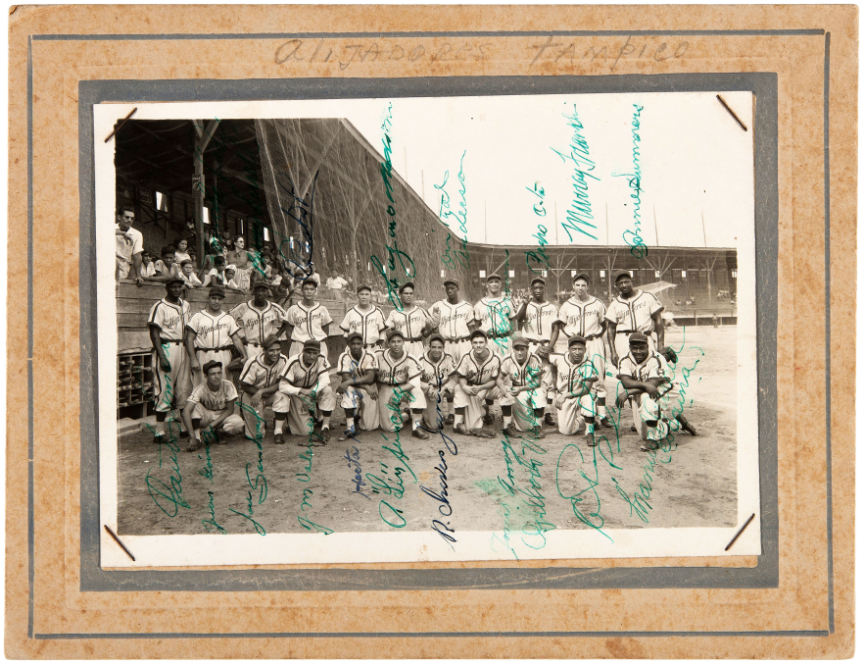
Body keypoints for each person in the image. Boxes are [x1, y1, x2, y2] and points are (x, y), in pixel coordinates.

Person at [616, 333, 695, 451]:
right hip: (642, 391)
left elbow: (652, 386)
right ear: (630, 347)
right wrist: (635, 388)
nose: (638, 352)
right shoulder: (624, 359)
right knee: (643, 434)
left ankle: (652, 440)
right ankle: (676, 423)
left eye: (641, 348)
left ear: (648, 346)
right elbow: (626, 382)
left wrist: (628, 392)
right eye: (634, 348)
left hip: (665, 390)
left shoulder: (657, 358)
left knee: (646, 399)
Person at [551, 273, 611, 425]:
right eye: (577, 285)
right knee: (577, 378)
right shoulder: (566, 305)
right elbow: (562, 325)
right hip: (576, 344)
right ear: (573, 286)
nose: (580, 288)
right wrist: (572, 337)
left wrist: (597, 335)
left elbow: (605, 324)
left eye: (583, 285)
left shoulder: (597, 303)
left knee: (598, 378)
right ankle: (584, 413)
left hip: (593, 342)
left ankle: (602, 415)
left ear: (588, 286)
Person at [147, 277, 192, 443]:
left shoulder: (185, 305)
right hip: (167, 347)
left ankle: (183, 427)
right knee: (165, 389)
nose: (176, 289)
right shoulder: (159, 306)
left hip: (184, 348)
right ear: (167, 288)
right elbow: (154, 333)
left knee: (184, 388)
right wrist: (162, 356)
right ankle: (159, 432)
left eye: (179, 286)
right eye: (173, 287)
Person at [278, 339, 336, 443]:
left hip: (312, 391)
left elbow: (325, 379)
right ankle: (289, 417)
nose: (312, 356)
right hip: (296, 394)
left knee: (327, 390)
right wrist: (301, 391)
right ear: (303, 351)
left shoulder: (321, 358)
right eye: (309, 352)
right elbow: (282, 386)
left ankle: (325, 426)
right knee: (304, 431)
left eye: (315, 353)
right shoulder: (293, 361)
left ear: (318, 353)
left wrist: (312, 391)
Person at [184, 286, 246, 384]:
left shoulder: (228, 318)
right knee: (202, 385)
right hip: (203, 354)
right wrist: (193, 359)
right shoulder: (198, 317)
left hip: (224, 354)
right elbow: (189, 338)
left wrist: (244, 354)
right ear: (208, 299)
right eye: (213, 298)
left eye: (219, 299)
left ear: (222, 301)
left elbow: (236, 338)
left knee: (224, 384)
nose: (216, 301)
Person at [374, 329, 429, 439]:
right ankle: (406, 415)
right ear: (388, 343)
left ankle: (416, 427)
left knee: (418, 390)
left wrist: (398, 391)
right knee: (390, 428)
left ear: (403, 342)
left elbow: (414, 381)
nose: (396, 344)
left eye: (399, 341)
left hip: (404, 387)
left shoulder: (410, 358)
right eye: (393, 341)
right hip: (386, 388)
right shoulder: (378, 356)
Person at [180, 360, 245, 452]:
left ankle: (219, 432)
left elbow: (230, 410)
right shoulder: (200, 388)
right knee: (195, 407)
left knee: (238, 423)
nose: (217, 376)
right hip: (207, 416)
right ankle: (197, 438)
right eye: (213, 374)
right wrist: (192, 436)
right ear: (206, 376)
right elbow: (186, 411)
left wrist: (211, 426)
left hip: (223, 415)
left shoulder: (228, 385)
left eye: (219, 373)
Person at [551, 335, 602, 446]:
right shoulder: (559, 358)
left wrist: (565, 395)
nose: (577, 352)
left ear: (585, 350)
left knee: (589, 398)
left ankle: (590, 432)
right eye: (574, 349)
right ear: (568, 349)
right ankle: (584, 419)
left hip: (581, 395)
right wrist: (554, 382)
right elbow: (549, 362)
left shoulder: (588, 364)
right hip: (565, 397)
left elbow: (586, 389)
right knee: (566, 431)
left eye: (580, 349)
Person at [605, 272, 665, 367]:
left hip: (645, 337)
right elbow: (610, 328)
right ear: (616, 286)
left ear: (632, 282)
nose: (624, 285)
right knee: (626, 372)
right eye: (620, 283)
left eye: (626, 282)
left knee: (650, 368)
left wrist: (661, 345)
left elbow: (658, 320)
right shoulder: (614, 304)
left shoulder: (647, 297)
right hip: (623, 340)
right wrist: (612, 352)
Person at [452, 330, 504, 436]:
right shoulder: (466, 356)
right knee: (473, 427)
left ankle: (508, 421)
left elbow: (495, 380)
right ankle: (482, 411)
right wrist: (465, 386)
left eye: (481, 342)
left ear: (486, 343)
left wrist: (481, 388)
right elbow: (461, 376)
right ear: (471, 344)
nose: (478, 345)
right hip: (475, 389)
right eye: (475, 343)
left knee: (507, 387)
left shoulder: (496, 357)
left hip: (490, 388)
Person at [238, 340, 290, 444]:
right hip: (251, 394)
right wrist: (257, 393)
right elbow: (243, 384)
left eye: (278, 350)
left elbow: (281, 383)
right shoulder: (253, 362)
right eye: (271, 350)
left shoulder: (283, 359)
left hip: (269, 393)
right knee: (257, 436)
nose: (275, 353)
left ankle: (278, 431)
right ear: (264, 350)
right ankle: (248, 420)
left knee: (283, 395)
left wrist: (262, 391)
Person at [497, 335, 545, 438]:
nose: (519, 352)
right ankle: (507, 426)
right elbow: (499, 379)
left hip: (529, 389)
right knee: (504, 391)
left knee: (539, 392)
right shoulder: (507, 359)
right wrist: (505, 391)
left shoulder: (534, 358)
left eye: (522, 349)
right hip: (515, 390)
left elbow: (537, 382)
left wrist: (521, 389)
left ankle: (538, 426)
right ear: (513, 349)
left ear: (527, 349)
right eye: (516, 349)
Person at [230, 282, 288, 367]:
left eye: (263, 290)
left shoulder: (274, 307)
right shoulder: (244, 307)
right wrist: (239, 336)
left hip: (268, 348)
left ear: (267, 292)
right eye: (258, 290)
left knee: (269, 373)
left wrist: (277, 335)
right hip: (250, 348)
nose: (261, 293)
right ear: (253, 292)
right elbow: (228, 319)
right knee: (250, 373)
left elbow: (287, 321)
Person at [335, 332, 379, 439]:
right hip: (360, 388)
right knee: (348, 389)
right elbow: (346, 378)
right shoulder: (344, 356)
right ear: (348, 344)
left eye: (358, 343)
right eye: (353, 343)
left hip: (370, 389)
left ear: (362, 344)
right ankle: (350, 426)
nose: (356, 346)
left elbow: (370, 378)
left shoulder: (370, 355)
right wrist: (364, 386)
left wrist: (349, 382)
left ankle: (358, 416)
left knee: (369, 426)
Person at [428, 279, 476, 363]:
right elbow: (428, 323)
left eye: (452, 288)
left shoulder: (467, 306)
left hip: (464, 343)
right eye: (447, 288)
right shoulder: (438, 305)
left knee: (466, 370)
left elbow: (472, 329)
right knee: (447, 371)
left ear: (457, 289)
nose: (449, 290)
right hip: (446, 344)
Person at [284, 278, 333, 358]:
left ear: (315, 291)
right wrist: (294, 343)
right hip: (299, 345)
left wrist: (319, 341)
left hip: (318, 345)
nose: (309, 292)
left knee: (320, 369)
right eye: (306, 289)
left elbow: (326, 330)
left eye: (312, 289)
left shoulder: (322, 309)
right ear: (302, 291)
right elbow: (288, 330)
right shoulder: (293, 309)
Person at [384, 282, 435, 359]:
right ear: (400, 295)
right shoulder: (394, 313)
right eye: (406, 293)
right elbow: (388, 332)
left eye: (411, 293)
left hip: (417, 346)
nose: (409, 296)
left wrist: (429, 328)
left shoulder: (420, 311)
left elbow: (426, 334)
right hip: (401, 347)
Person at [418, 334, 456, 431]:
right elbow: (416, 380)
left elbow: (455, 377)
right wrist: (428, 386)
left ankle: (456, 414)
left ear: (443, 348)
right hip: (428, 389)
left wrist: (443, 388)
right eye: (434, 347)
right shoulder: (421, 359)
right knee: (435, 426)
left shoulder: (448, 357)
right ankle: (419, 413)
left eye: (440, 347)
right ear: (429, 347)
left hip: (443, 387)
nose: (436, 350)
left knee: (460, 388)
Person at [474, 274, 517, 359]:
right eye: (491, 282)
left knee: (506, 368)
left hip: (504, 339)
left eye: (497, 282)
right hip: (488, 341)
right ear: (487, 285)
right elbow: (476, 326)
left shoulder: (508, 302)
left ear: (501, 284)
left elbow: (513, 323)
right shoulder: (479, 304)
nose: (494, 284)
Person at [340, 285, 387, 350]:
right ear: (357, 296)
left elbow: (382, 332)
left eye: (366, 294)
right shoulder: (351, 312)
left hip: (373, 348)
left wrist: (379, 345)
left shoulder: (378, 312)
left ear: (370, 296)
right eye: (361, 294)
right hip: (354, 349)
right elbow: (345, 333)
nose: (364, 297)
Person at [115, 206, 144, 285]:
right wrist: (122, 233)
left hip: (125, 266)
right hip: (109, 263)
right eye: (127, 217)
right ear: (119, 217)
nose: (129, 220)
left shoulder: (137, 234)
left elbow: (137, 255)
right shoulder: (109, 228)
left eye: (132, 218)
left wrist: (138, 275)